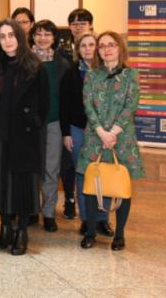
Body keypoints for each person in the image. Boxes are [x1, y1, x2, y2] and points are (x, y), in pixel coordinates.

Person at [0, 19, 48, 256]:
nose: (7, 40)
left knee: (21, 184)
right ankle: (5, 227)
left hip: (24, 134)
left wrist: (34, 122)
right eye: (2, 36)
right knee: (0, 182)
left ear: (19, 37)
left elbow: (44, 104)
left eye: (11, 35)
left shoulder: (34, 66)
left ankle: (21, 232)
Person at [77, 32, 145, 251]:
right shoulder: (92, 75)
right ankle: (90, 232)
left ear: (119, 48)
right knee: (91, 183)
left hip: (122, 138)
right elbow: (88, 105)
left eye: (111, 45)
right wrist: (102, 132)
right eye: (102, 46)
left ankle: (120, 235)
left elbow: (130, 106)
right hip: (95, 137)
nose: (106, 49)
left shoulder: (131, 75)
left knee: (121, 186)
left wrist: (113, 132)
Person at [61, 32, 112, 237]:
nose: (88, 49)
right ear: (77, 49)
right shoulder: (71, 73)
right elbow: (64, 106)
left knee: (104, 173)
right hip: (77, 129)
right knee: (83, 174)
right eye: (83, 46)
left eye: (92, 45)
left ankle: (103, 219)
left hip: (103, 131)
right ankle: (86, 219)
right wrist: (66, 133)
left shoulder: (107, 72)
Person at [31, 19, 71, 232]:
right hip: (30, 124)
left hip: (54, 122)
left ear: (54, 38)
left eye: (47, 34)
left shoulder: (62, 63)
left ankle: (48, 213)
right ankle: (30, 209)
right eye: (38, 33)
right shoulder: (25, 60)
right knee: (30, 168)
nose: (42, 38)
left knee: (50, 169)